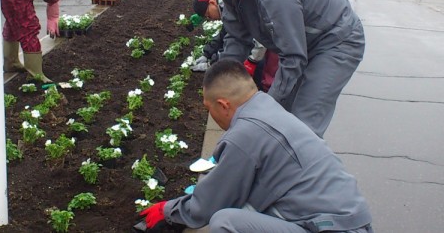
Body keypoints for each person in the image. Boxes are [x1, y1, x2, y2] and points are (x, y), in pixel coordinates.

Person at [139, 59, 373, 232]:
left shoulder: (244, 134)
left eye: (207, 108)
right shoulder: (268, 108)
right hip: (349, 220)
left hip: (333, 227)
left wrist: (168, 211)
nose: (210, 114)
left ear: (222, 104)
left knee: (226, 222)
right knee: (248, 208)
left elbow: (211, 203)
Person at [193, 0, 365, 138]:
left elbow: (293, 58)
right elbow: (237, 39)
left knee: (303, 121)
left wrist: (266, 108)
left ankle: (301, 162)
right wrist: (219, 84)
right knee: (283, 113)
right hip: (302, 41)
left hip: (336, 40)